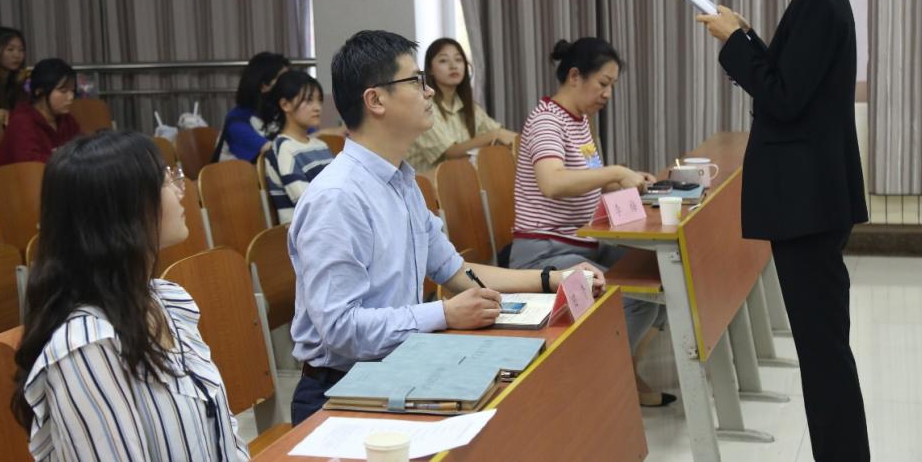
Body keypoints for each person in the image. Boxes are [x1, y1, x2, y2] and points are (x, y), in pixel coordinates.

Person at [288, 30, 607, 425]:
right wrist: (443, 313)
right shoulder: (338, 198)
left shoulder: (402, 182)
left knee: (528, 399)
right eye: (416, 81)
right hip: (339, 393)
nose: (429, 93)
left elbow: (455, 271)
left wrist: (552, 278)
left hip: (396, 370)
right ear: (376, 100)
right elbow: (341, 329)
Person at [696, 0, 869, 460]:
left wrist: (733, 42)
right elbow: (793, 83)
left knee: (824, 356)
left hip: (808, 203)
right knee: (824, 353)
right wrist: (746, 38)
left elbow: (785, 99)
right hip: (812, 199)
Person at [11, 131, 248, 461]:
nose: (180, 190)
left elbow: (223, 431)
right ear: (124, 210)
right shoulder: (87, 348)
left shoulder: (165, 301)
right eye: (165, 180)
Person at [509, 37, 672, 407]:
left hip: (582, 244)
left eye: (611, 85)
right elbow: (553, 183)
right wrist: (614, 172)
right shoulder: (547, 122)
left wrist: (628, 180)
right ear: (574, 76)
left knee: (661, 274)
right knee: (634, 296)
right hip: (543, 254)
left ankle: (624, 368)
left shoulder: (578, 121)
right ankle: (600, 385)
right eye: (603, 83)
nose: (607, 94)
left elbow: (589, 179)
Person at [406, 37, 517, 175]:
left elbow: (502, 134)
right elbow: (451, 152)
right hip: (423, 185)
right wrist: (495, 135)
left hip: (459, 180)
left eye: (458, 60)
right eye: (443, 60)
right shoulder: (423, 106)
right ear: (430, 70)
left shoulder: (469, 107)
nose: (453, 66)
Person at [260, 70, 334, 224]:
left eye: (319, 100)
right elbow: (309, 206)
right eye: (309, 100)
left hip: (329, 224)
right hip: (307, 232)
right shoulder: (283, 148)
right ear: (285, 105)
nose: (317, 107)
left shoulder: (320, 145)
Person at [0, 58, 82, 167]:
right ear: (39, 91)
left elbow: (82, 151)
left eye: (72, 91)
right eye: (63, 91)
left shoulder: (67, 120)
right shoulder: (21, 123)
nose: (71, 97)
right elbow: (31, 165)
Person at [214, 52, 289, 162]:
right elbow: (272, 152)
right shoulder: (237, 121)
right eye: (283, 81)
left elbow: (308, 136)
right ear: (264, 86)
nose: (289, 86)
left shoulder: (277, 112)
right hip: (238, 173)